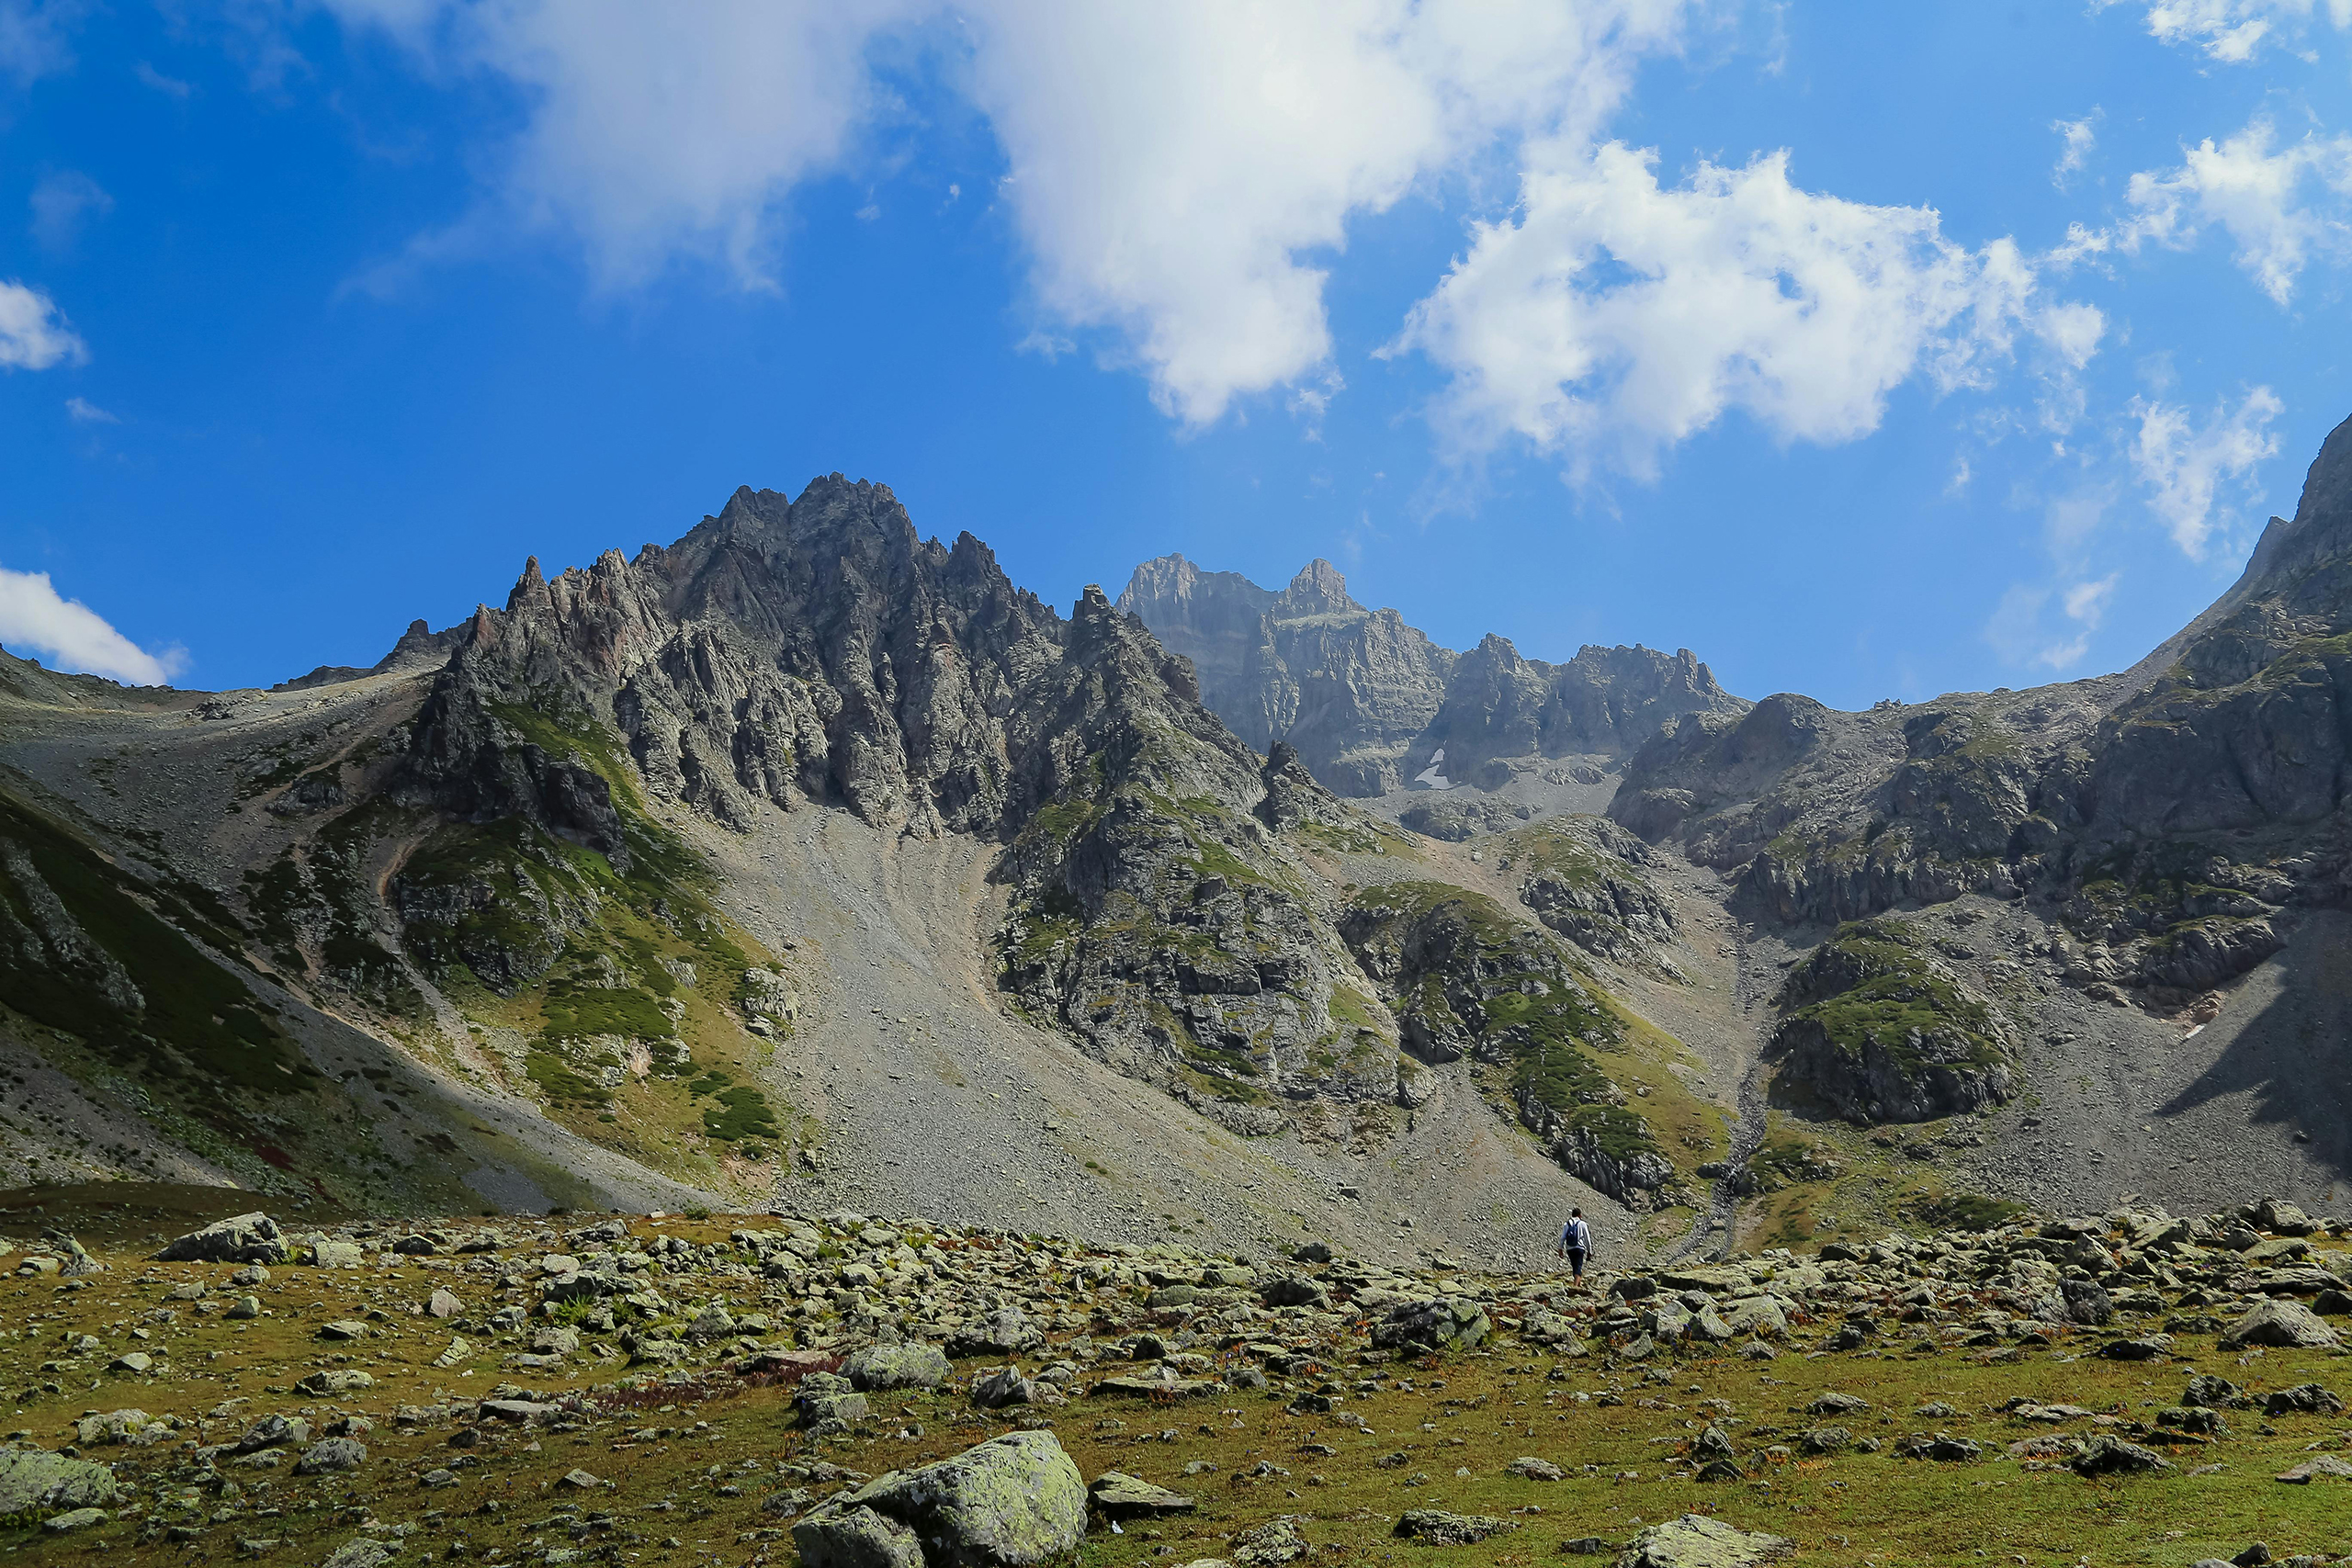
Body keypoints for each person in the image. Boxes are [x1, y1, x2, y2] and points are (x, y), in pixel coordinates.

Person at [1556, 1207, 1592, 1283]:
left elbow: (1563, 1237)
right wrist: (1589, 1251)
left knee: (1575, 1267)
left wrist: (1560, 1249)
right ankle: (1575, 1286)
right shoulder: (1582, 1224)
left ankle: (1577, 1286)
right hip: (1579, 1248)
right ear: (1580, 1215)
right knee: (1578, 1268)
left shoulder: (1567, 1224)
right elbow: (1587, 1239)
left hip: (1570, 1249)